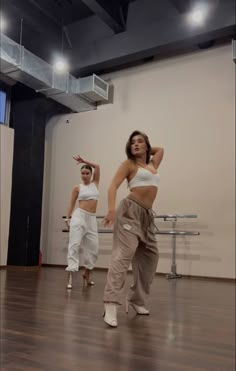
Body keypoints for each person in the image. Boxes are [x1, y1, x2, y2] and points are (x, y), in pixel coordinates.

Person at [103, 130, 164, 327]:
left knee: (150, 258)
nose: (135, 145)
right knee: (122, 257)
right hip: (130, 211)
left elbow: (160, 149)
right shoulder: (129, 164)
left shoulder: (153, 164)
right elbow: (113, 186)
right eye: (132, 143)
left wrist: (146, 147)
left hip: (147, 216)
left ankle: (137, 300)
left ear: (147, 145)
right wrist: (111, 210)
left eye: (140, 142)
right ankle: (111, 304)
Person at [65, 155, 100, 289]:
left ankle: (86, 273)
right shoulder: (77, 188)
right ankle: (70, 275)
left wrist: (84, 161)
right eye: (83, 173)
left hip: (91, 219)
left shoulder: (95, 183)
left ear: (91, 174)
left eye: (87, 173)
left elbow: (97, 166)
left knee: (94, 248)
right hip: (79, 217)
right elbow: (71, 204)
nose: (85, 175)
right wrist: (67, 218)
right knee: (74, 245)